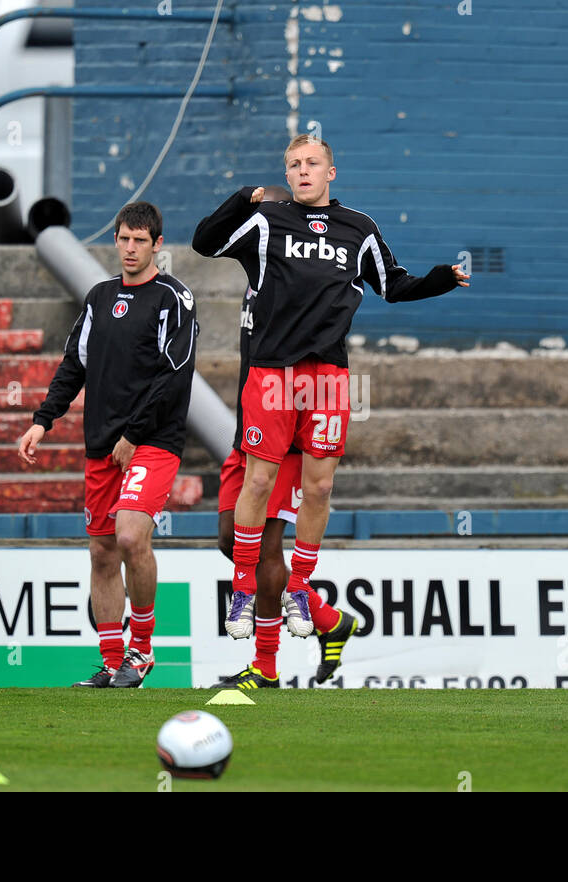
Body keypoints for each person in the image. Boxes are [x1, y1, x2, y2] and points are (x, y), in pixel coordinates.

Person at [192, 135, 468, 687]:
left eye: (311, 163)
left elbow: (394, 285)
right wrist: (242, 197)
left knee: (319, 490)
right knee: (254, 492)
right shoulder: (266, 221)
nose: (301, 171)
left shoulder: (358, 229)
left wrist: (440, 279)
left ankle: (299, 594)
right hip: (270, 376)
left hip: (325, 378)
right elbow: (204, 242)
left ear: (331, 172)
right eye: (292, 165)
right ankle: (248, 595)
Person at [18, 202, 197, 689]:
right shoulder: (99, 297)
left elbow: (174, 378)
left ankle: (141, 651)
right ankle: (112, 660)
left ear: (157, 244)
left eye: (140, 240)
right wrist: (43, 421)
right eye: (123, 239)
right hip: (100, 443)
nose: (130, 248)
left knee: (131, 536)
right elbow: (73, 365)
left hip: (152, 441)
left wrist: (133, 435)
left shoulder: (174, 299)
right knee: (100, 552)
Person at [210, 184, 359, 689]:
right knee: (232, 539)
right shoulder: (261, 273)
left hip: (291, 430)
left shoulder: (308, 278)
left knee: (268, 548)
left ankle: (266, 666)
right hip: (251, 424)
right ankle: (326, 618)